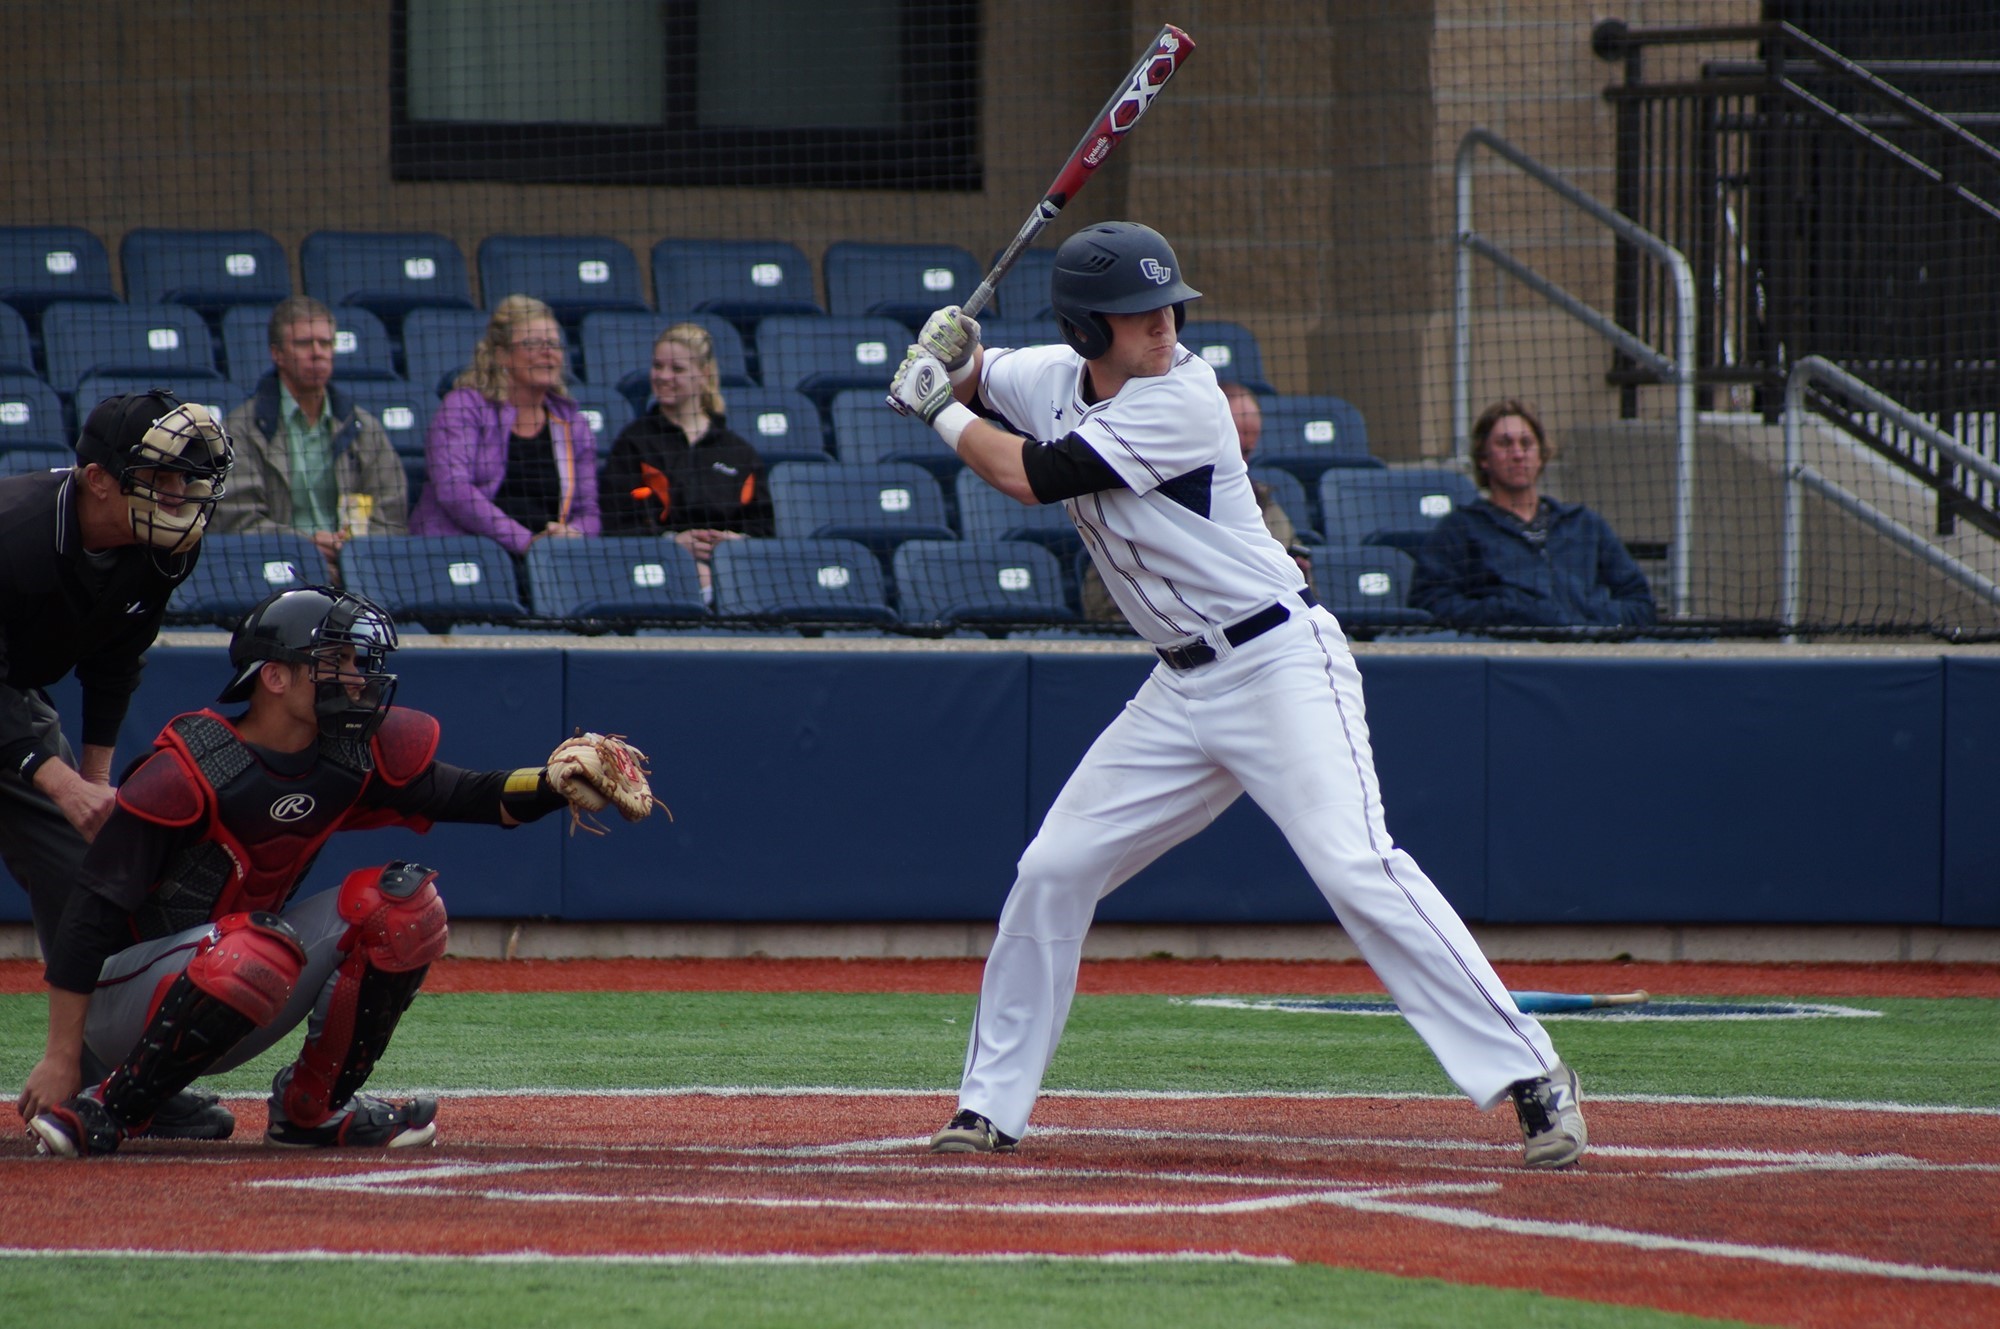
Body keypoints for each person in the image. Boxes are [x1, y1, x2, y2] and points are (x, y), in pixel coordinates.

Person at [887, 221, 1586, 1169]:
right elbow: (984, 378)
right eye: (1139, 313)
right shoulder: (1053, 375)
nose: (1165, 324)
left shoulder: (1184, 396)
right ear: (1086, 331)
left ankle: (1534, 1072)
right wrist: (953, 354)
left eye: (1169, 305)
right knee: (1053, 867)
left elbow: (1031, 475)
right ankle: (989, 1105)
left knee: (1354, 864)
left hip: (1278, 664)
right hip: (1179, 684)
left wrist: (935, 406)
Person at [14, 586, 634, 1156]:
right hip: (124, 1000)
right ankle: (108, 1107)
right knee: (253, 945)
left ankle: (311, 1111)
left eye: (358, 661)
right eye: (336, 660)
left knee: (404, 906)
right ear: (275, 676)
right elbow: (90, 913)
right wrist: (62, 1056)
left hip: (240, 975)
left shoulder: (347, 753)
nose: (358, 677)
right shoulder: (187, 769)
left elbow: (469, 795)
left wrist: (552, 784)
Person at [0, 390, 240, 1140]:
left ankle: (124, 1082)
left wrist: (94, 786)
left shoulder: (164, 545)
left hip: (11, 696)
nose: (179, 494)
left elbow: (114, 662)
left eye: (187, 478)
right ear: (99, 479)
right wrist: (59, 780)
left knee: (88, 873)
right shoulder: (15, 532)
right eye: (159, 477)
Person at [1408, 399, 1655, 630]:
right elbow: (1430, 603)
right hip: (1507, 653)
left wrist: (1585, 616)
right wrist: (1508, 612)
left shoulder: (1585, 525)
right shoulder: (1460, 529)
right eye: (1505, 444)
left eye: (1526, 443)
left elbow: (1640, 604)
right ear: (1483, 458)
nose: (1518, 454)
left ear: (1540, 455)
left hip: (1587, 651)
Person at [1081, 378, 1309, 621]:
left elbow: (1298, 593)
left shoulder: (1263, 504)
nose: (1240, 460)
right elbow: (1102, 607)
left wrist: (1294, 576)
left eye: (1247, 451)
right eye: (1233, 446)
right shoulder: (1142, 499)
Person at [216, 296, 409, 571]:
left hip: (355, 571)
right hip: (277, 568)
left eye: (325, 343)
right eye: (304, 343)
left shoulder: (363, 428)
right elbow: (237, 520)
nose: (317, 352)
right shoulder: (241, 429)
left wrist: (352, 557)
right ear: (277, 354)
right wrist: (305, 548)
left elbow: (390, 514)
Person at [408, 295, 600, 556]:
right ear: (502, 355)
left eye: (554, 344)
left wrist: (572, 533)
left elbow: (589, 512)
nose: (548, 352)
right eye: (532, 343)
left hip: (547, 560)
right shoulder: (463, 406)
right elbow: (454, 489)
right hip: (465, 552)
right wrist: (526, 542)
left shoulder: (574, 425)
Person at [599, 322, 774, 598]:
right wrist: (673, 544)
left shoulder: (738, 452)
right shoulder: (634, 441)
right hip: (653, 570)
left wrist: (734, 543)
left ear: (704, 374)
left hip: (732, 571)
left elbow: (763, 528)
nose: (663, 376)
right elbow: (617, 523)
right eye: (657, 366)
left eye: (677, 369)